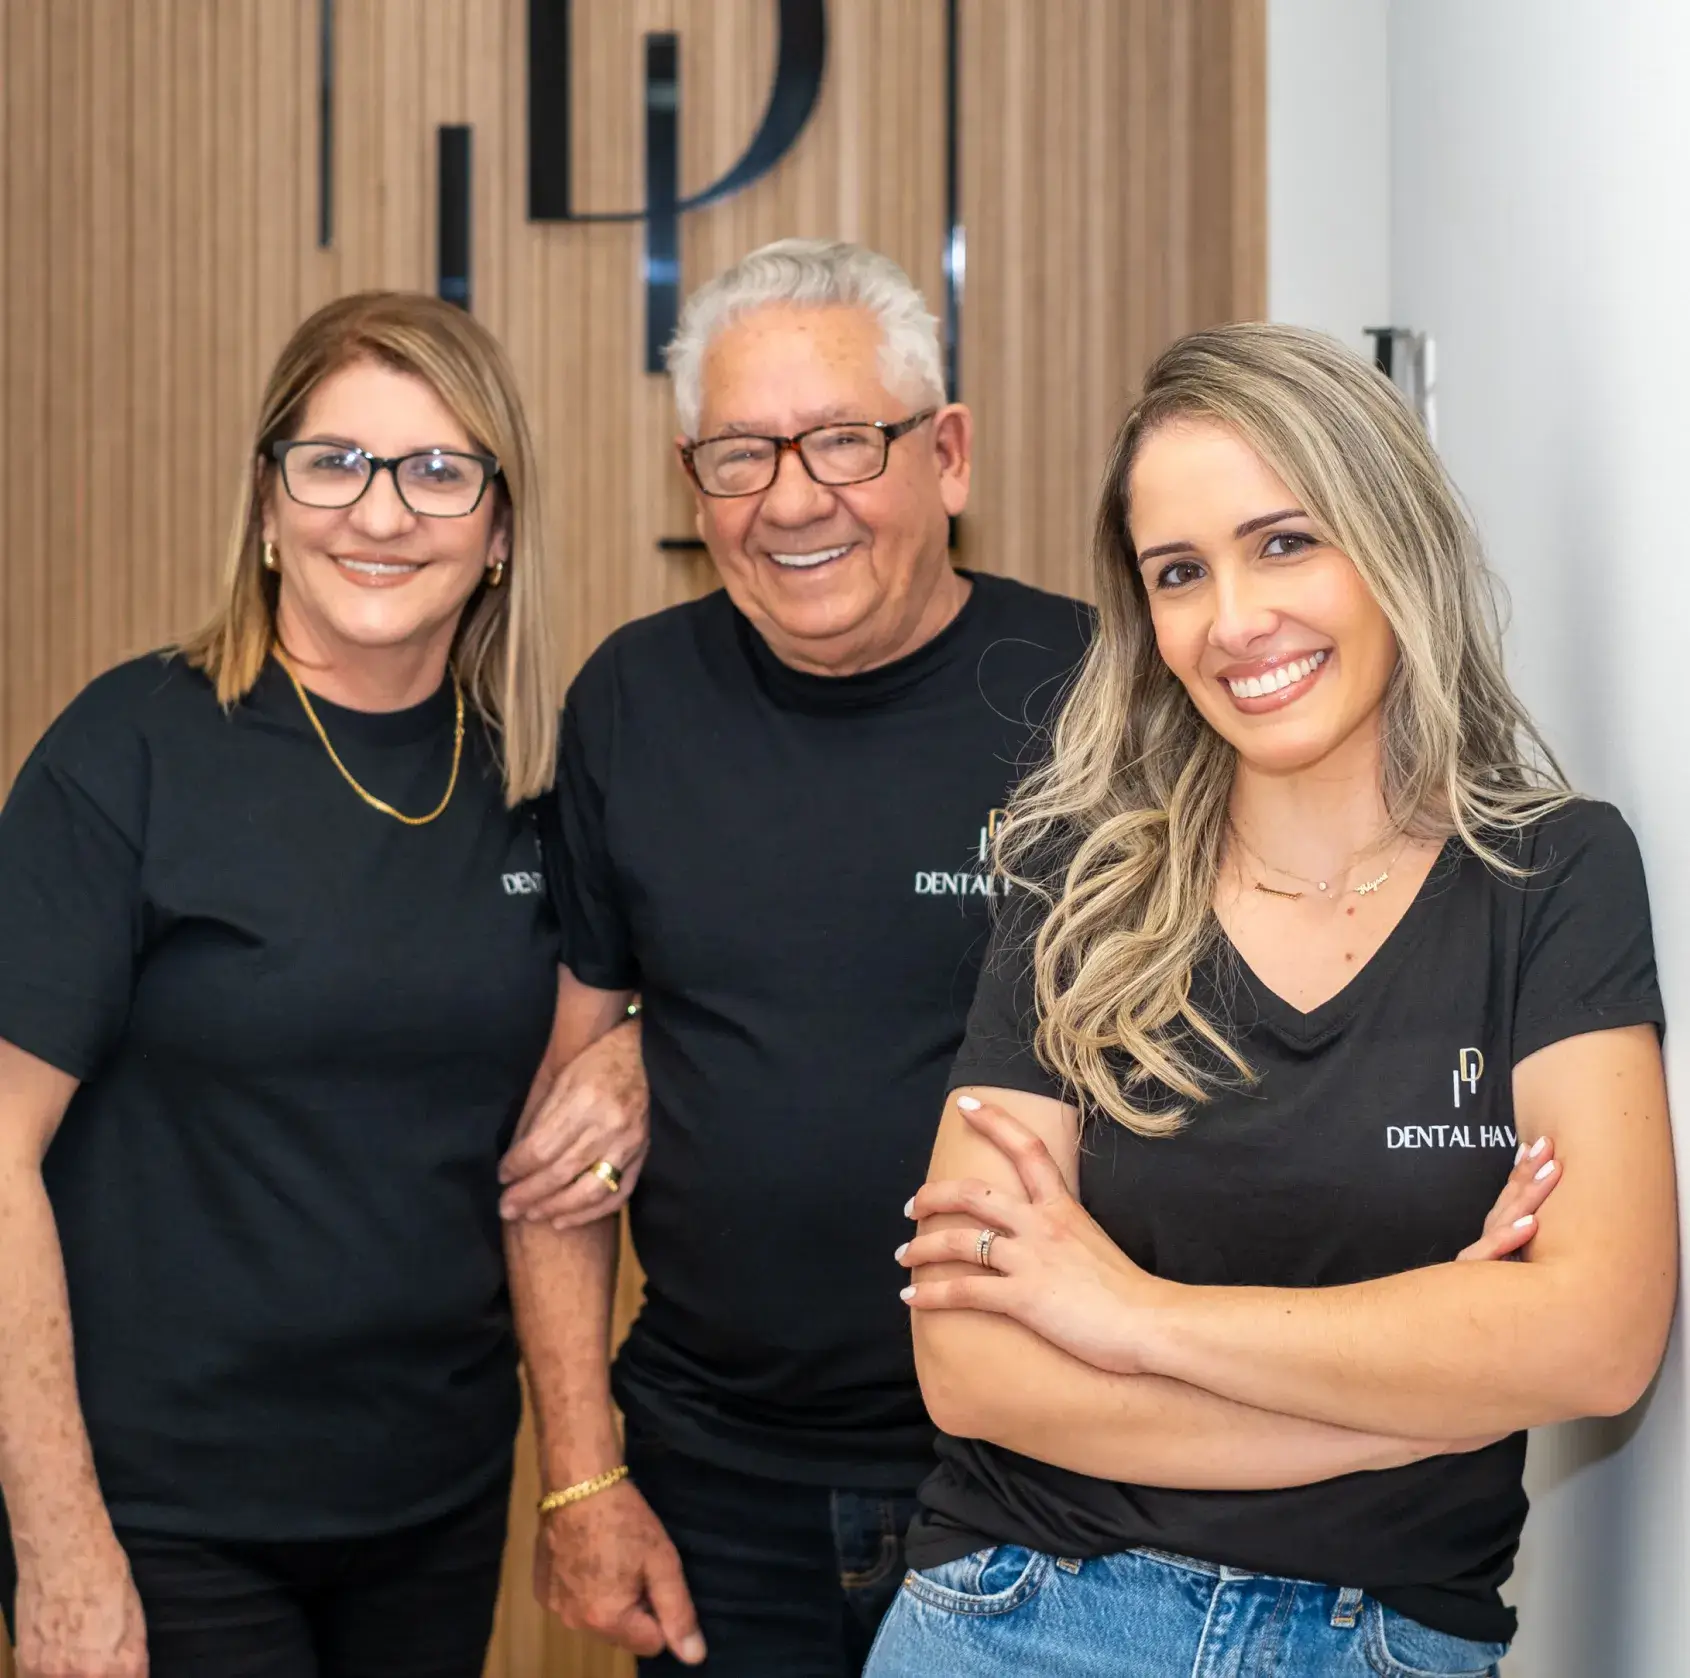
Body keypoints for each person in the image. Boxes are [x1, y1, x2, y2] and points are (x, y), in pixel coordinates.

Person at [866, 323, 1676, 1677]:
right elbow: (975, 1369)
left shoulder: (1552, 874)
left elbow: (1592, 1338)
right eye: (1178, 572)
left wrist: (1132, 1314)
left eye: (1284, 541)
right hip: (1028, 1615)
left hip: (1387, 1642)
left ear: (1389, 540)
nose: (1234, 621)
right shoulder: (1074, 878)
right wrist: (1424, 1400)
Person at [0, 291, 644, 1678]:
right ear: (270, 501)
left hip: (433, 1498)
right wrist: (56, 1533)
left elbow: (609, 1018)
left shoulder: (532, 783)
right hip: (165, 1515)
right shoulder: (131, 752)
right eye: (335, 461)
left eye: (436, 470)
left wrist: (634, 1049)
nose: (380, 513)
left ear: (498, 529)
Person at [496, 239, 1093, 1675]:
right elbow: (564, 1136)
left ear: (945, 455)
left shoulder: (1092, 696)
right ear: (691, 484)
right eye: (740, 455)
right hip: (713, 1491)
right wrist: (581, 1478)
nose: (792, 498)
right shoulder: (634, 698)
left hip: (1036, 1485)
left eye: (843, 440)